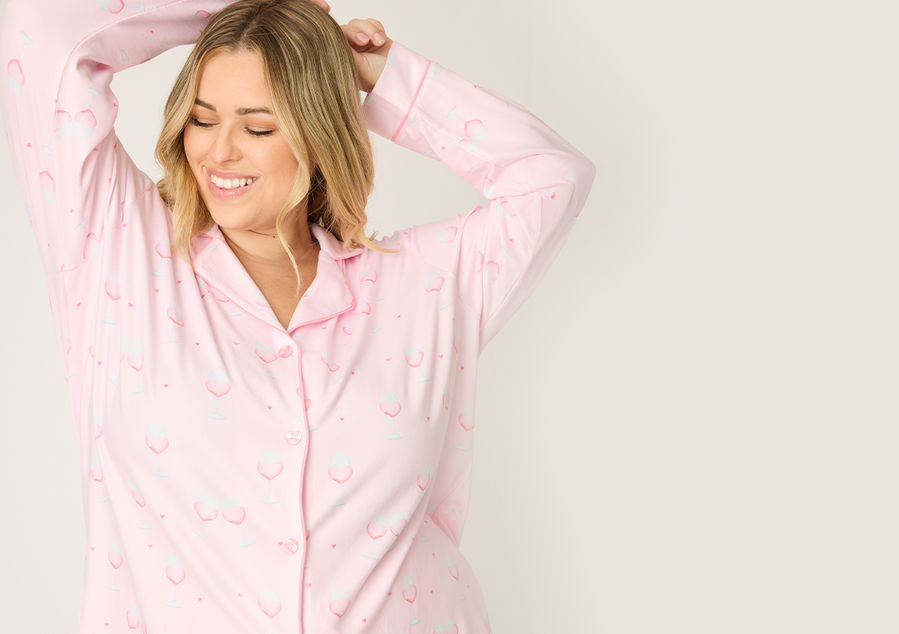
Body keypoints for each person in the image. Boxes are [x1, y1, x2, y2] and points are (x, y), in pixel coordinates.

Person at [0, 0, 592, 630]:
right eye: (202, 120)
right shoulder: (120, 253)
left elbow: (551, 177)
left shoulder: (423, 284)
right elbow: (40, 32)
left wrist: (385, 76)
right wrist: (247, 8)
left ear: (321, 131)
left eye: (257, 128)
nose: (218, 152)